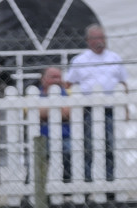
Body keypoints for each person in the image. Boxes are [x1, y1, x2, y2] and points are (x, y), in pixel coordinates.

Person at [66, 24, 127, 182]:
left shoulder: (115, 58)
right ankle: (87, 181)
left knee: (110, 147)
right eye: (96, 38)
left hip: (111, 110)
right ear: (88, 41)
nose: (100, 41)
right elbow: (68, 84)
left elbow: (123, 84)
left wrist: (126, 108)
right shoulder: (79, 60)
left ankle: (110, 180)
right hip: (88, 111)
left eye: (102, 37)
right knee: (88, 147)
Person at [38, 66, 72, 183]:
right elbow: (36, 113)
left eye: (59, 77)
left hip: (65, 136)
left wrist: (46, 111)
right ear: (43, 79)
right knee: (37, 160)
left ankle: (68, 189)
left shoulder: (68, 93)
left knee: (70, 156)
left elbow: (68, 113)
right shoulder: (35, 94)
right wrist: (58, 109)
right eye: (53, 77)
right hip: (42, 137)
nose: (57, 80)